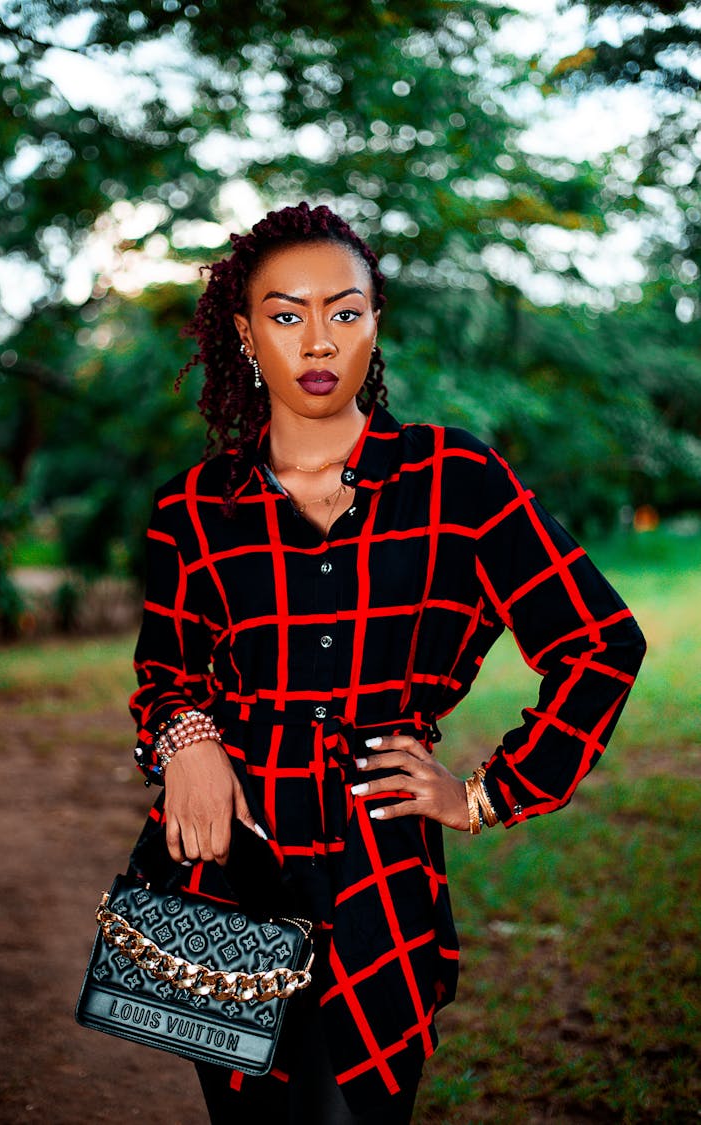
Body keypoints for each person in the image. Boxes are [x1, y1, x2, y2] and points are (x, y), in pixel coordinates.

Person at [129, 201, 646, 1125]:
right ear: (246, 335)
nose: (317, 340)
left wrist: (490, 792)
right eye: (286, 315)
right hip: (229, 861)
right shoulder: (194, 509)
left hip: (383, 872)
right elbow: (166, 675)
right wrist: (188, 743)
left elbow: (601, 640)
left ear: (376, 321)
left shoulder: (459, 481)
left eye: (344, 310)